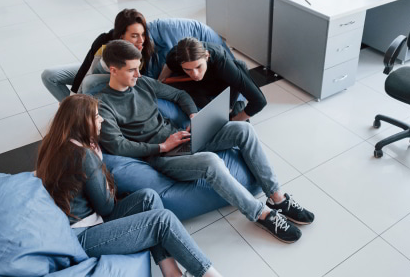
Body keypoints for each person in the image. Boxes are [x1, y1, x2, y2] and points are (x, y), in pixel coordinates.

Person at [96, 40, 315, 244]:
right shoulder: (103, 105)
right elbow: (117, 145)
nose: (138, 74)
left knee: (244, 129)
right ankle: (261, 214)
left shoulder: (143, 83)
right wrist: (162, 146)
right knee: (211, 162)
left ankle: (277, 197)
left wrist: (193, 116)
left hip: (183, 136)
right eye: (131, 70)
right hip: (162, 156)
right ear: (113, 70)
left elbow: (180, 96)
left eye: (138, 67)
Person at [35, 94, 221, 277]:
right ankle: (209, 274)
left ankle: (170, 272)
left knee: (148, 197)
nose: (102, 120)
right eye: (97, 116)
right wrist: (99, 163)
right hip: (81, 236)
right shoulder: (85, 156)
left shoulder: (53, 144)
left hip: (78, 222)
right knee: (162, 220)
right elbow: (106, 207)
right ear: (83, 123)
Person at [41, 8, 156, 101]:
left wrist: (137, 56)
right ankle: (73, 112)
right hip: (96, 70)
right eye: (134, 36)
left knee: (90, 82)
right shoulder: (104, 40)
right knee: (49, 75)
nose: (141, 40)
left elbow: (141, 79)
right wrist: (73, 97)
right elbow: (87, 67)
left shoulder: (146, 47)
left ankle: (83, 115)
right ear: (121, 35)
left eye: (143, 34)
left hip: (117, 78)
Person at [158, 37, 266, 121]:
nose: (195, 74)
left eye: (198, 67)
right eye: (187, 69)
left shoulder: (222, 62)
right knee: (171, 91)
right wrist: (158, 82)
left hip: (222, 81)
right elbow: (168, 65)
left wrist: (234, 120)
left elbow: (259, 101)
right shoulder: (173, 56)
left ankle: (232, 108)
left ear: (206, 55)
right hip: (196, 85)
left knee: (240, 66)